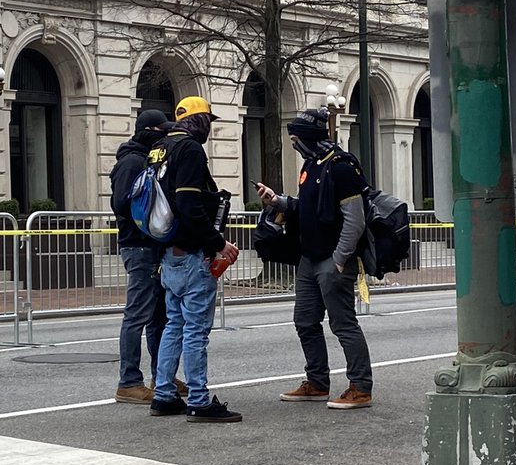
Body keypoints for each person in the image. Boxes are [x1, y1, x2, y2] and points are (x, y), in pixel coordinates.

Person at [255, 106, 373, 409]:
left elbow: (355, 219)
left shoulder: (342, 167)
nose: (294, 144)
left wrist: (339, 259)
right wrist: (278, 200)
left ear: (309, 137)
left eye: (296, 138)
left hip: (332, 259)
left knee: (343, 323)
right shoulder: (311, 165)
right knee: (305, 320)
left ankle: (360, 387)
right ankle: (317, 382)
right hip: (309, 258)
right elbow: (305, 207)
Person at [149, 96, 242, 423]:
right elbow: (189, 204)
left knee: (174, 324)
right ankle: (199, 400)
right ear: (198, 120)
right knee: (195, 331)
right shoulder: (189, 150)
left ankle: (163, 394)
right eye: (208, 121)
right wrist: (217, 244)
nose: (210, 128)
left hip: (169, 252)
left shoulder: (159, 148)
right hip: (191, 254)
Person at [108, 108, 186, 404]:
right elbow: (123, 204)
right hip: (139, 245)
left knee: (158, 315)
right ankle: (129, 381)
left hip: (150, 245)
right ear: (148, 132)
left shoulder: (145, 159)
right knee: (138, 314)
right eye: (160, 131)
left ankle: (161, 376)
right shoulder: (131, 162)